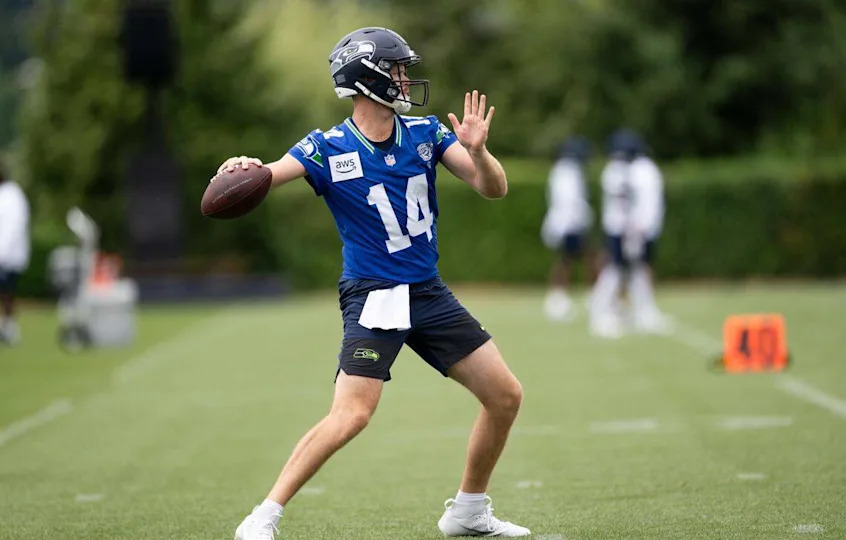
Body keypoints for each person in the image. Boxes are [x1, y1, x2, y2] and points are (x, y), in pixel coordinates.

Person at [214, 28, 530, 539]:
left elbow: (492, 189)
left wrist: (479, 152)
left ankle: (469, 510)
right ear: (369, 79)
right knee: (352, 415)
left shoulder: (426, 133)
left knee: (505, 395)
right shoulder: (326, 147)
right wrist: (241, 166)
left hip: (428, 291)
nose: (406, 78)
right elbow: (267, 176)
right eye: (398, 69)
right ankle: (263, 516)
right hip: (374, 296)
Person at [589, 129, 673, 338]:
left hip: (628, 228)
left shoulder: (617, 170)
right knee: (617, 270)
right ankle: (601, 312)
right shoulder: (632, 171)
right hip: (626, 228)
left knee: (637, 271)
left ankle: (644, 312)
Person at [540, 136, 594, 321]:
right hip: (569, 224)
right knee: (567, 261)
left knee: (570, 260)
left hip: (566, 223)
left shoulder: (563, 170)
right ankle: (558, 298)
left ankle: (562, 297)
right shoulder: (568, 172)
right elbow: (570, 201)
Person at [0, 162, 30, 346]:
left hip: (10, 256)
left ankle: (10, 328)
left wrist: (2, 252)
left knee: (7, 293)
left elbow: (12, 228)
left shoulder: (13, 196)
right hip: (5, 254)